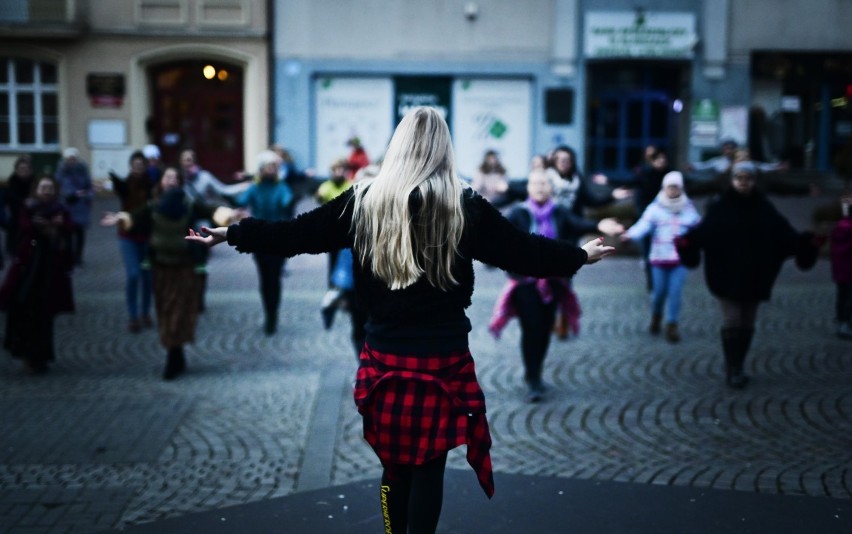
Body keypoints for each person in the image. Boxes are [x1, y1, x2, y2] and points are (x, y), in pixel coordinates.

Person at [186, 107, 615, 533]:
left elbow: (297, 234)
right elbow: (524, 252)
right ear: (443, 149)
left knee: (394, 468)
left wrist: (236, 233)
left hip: (384, 357)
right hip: (443, 359)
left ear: (399, 146)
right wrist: (579, 256)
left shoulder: (364, 201)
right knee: (429, 467)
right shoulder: (464, 206)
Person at [675, 161, 821, 389]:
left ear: (754, 181)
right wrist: (686, 242)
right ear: (733, 181)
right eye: (739, 178)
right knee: (732, 319)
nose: (743, 183)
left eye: (747, 179)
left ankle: (739, 364)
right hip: (726, 275)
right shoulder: (721, 208)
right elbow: (703, 233)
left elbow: (785, 236)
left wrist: (807, 243)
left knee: (747, 322)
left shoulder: (764, 208)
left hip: (755, 275)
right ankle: (732, 367)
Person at [489, 168, 623, 402]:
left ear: (551, 188)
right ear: (528, 188)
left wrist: (599, 225)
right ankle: (533, 379)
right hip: (525, 283)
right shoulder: (518, 213)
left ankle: (536, 372)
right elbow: (498, 235)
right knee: (532, 329)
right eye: (536, 183)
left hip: (554, 282)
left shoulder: (560, 212)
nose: (540, 187)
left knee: (545, 328)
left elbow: (578, 223)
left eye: (544, 184)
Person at [102, 167, 234, 380]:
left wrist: (228, 214)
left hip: (185, 267)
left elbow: (211, 211)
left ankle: (173, 356)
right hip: (161, 268)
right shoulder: (153, 206)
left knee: (180, 310)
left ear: (180, 182)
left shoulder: (189, 204)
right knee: (165, 311)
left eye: (175, 177)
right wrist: (121, 218)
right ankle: (176, 351)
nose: (171, 180)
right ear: (161, 182)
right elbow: (134, 217)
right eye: (168, 177)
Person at [0, 175, 74, 374]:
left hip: (51, 270)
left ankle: (41, 356)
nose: (47, 191)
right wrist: (39, 225)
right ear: (37, 190)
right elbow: (23, 227)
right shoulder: (29, 207)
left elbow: (69, 229)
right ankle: (27, 354)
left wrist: (57, 226)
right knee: (25, 309)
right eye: (43, 187)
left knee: (45, 314)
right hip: (29, 267)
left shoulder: (61, 209)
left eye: (50, 187)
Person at [621, 171, 701, 343]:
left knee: (675, 292)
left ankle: (672, 324)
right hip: (658, 259)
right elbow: (643, 225)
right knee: (658, 293)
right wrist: (628, 235)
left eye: (676, 187)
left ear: (681, 188)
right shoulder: (656, 208)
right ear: (664, 188)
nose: (672, 191)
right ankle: (656, 315)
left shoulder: (689, 208)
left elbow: (699, 229)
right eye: (669, 187)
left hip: (680, 260)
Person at [232, 150, 294, 335]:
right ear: (261, 169)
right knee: (264, 277)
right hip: (258, 238)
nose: (272, 169)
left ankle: (272, 315)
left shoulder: (282, 186)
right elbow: (241, 201)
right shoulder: (255, 187)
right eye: (269, 166)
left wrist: (291, 199)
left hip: (278, 238)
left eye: (275, 166)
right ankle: (268, 311)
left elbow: (286, 202)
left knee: (274, 277)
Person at [109, 150, 155, 333]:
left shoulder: (151, 185)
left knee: (147, 277)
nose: (138, 168)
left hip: (146, 237)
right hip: (127, 237)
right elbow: (119, 188)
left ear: (145, 167)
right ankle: (133, 315)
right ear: (131, 167)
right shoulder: (125, 184)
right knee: (134, 275)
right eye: (135, 165)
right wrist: (113, 179)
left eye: (141, 165)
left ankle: (145, 313)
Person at [548, 145, 632, 218]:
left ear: (572, 162)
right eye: (558, 159)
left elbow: (591, 201)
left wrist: (612, 196)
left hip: (574, 224)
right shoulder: (546, 178)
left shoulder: (577, 180)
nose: (562, 162)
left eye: (566, 160)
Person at [315, 158, 352, 286]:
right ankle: (332, 286)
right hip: (331, 230)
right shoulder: (326, 186)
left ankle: (345, 288)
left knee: (347, 260)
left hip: (346, 229)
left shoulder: (350, 185)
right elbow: (320, 199)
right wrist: (319, 196)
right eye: (335, 170)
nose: (338, 172)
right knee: (333, 260)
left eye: (341, 169)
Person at [55, 147, 94, 266]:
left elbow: (90, 187)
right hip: (67, 207)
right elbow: (58, 189)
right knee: (67, 234)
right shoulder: (61, 173)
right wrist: (71, 194)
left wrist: (88, 196)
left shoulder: (83, 171)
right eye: (69, 159)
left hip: (81, 207)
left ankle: (78, 257)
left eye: (74, 159)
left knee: (80, 234)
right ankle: (68, 257)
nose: (72, 161)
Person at [4, 155, 35, 256]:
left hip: (32, 214)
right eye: (21, 168)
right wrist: (23, 202)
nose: (24, 171)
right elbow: (10, 197)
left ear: (30, 169)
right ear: (17, 170)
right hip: (16, 214)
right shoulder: (12, 181)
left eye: (26, 168)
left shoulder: (35, 181)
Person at [830, 193, 852, 339]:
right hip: (850, 270)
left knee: (842, 295)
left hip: (840, 270)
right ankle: (845, 323)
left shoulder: (840, 226)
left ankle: (840, 320)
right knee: (849, 298)